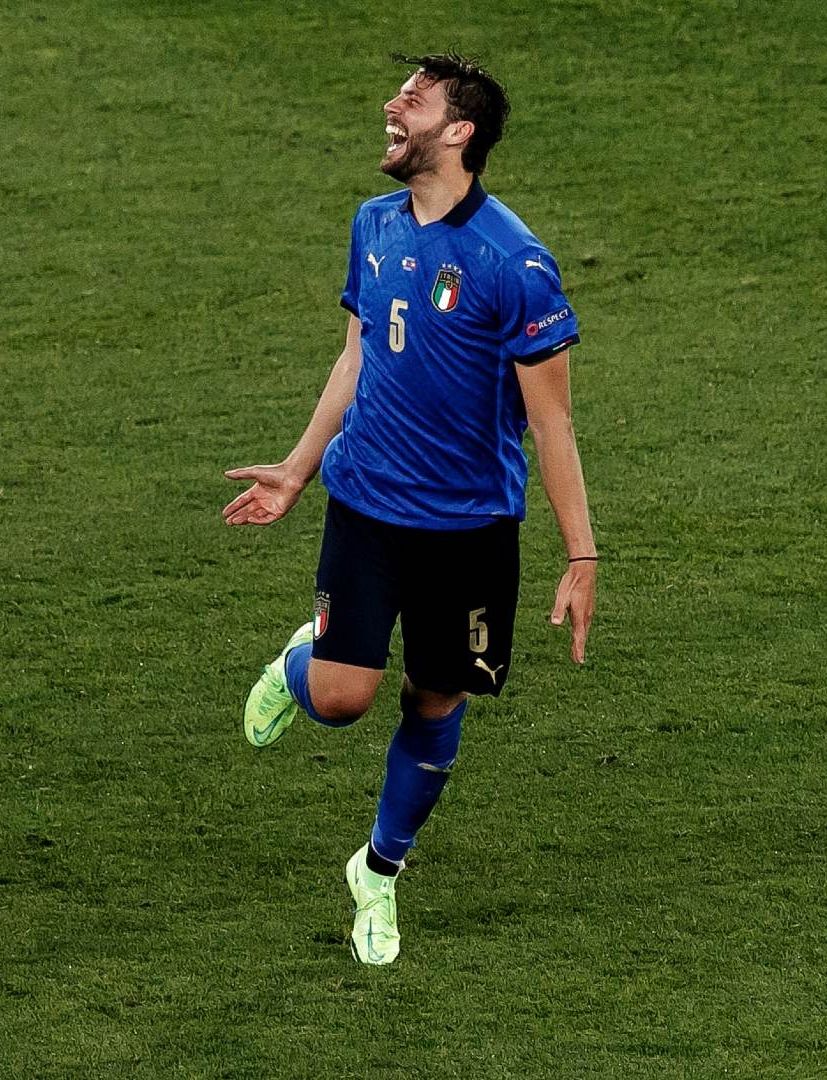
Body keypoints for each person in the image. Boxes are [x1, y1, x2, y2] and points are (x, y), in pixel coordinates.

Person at [223, 53, 597, 965]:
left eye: (414, 101)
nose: (391, 109)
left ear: (459, 131)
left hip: (470, 531)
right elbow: (353, 356)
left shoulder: (516, 263)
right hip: (368, 505)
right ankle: (300, 661)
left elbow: (553, 423)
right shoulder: (374, 223)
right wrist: (299, 469)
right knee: (346, 699)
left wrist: (581, 556)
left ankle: (379, 872)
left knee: (436, 699)